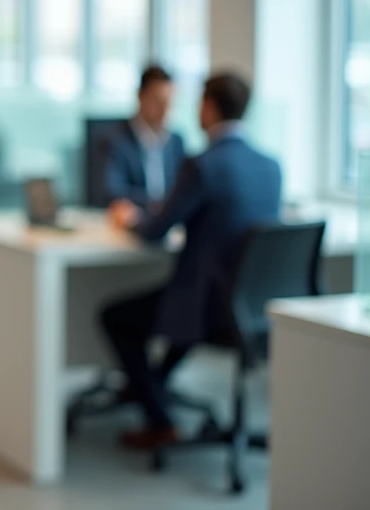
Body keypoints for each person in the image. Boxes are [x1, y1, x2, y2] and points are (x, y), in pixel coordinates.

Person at [103, 72, 281, 450]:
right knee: (173, 307)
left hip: (208, 306)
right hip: (253, 306)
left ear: (210, 107)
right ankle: (154, 390)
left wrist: (132, 218)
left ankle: (158, 415)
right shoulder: (271, 166)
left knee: (116, 317)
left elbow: (154, 230)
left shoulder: (203, 164)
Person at [104, 65, 186, 214]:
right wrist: (163, 203)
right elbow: (113, 192)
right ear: (140, 96)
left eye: (169, 103)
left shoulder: (176, 141)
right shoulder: (115, 140)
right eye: (159, 102)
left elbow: (185, 188)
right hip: (130, 223)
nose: (165, 110)